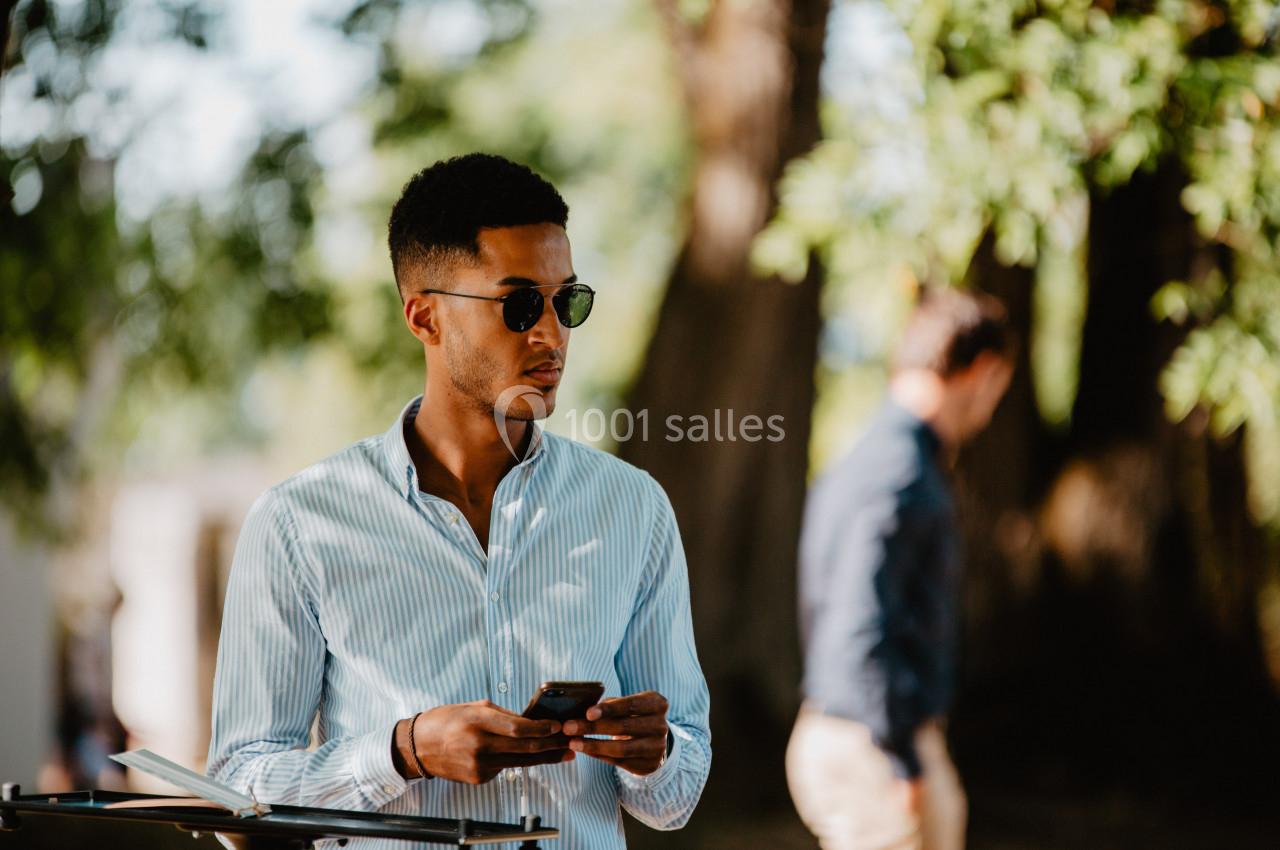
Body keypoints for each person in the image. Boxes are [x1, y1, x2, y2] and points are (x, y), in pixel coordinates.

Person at [206, 153, 711, 849]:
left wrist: (658, 756)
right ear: (424, 317)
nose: (551, 334)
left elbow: (676, 799)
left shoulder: (633, 509)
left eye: (567, 301)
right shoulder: (300, 525)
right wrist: (402, 752)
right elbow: (238, 797)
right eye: (520, 303)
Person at [787, 288, 1013, 850]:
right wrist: (901, 757)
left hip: (850, 731)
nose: (991, 409)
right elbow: (861, 622)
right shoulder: (901, 473)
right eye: (998, 390)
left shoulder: (867, 459)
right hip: (871, 745)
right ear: (982, 372)